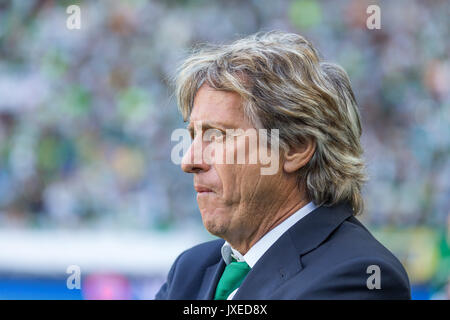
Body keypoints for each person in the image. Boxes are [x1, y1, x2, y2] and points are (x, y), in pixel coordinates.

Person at [155, 31, 411, 300]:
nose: (189, 161)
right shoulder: (190, 270)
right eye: (193, 136)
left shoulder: (360, 274)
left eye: (217, 135)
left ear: (295, 147)